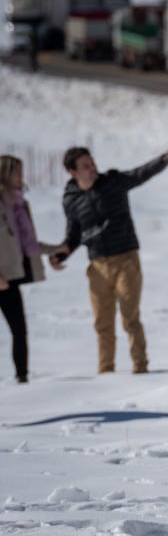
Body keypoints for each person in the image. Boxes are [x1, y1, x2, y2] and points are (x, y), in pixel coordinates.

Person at [56, 146, 168, 374]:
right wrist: (61, 255)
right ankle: (106, 372)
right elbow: (74, 234)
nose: (92, 168)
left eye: (92, 162)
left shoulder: (112, 182)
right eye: (85, 166)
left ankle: (140, 368)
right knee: (103, 323)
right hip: (98, 266)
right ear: (73, 172)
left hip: (126, 259)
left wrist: (164, 160)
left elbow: (139, 174)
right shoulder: (71, 200)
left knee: (130, 318)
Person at [1, 155, 66, 383]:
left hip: (10, 278)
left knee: (19, 330)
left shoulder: (19, 205)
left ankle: (22, 377)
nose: (22, 178)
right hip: (1, 277)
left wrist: (55, 248)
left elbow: (26, 243)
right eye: (18, 172)